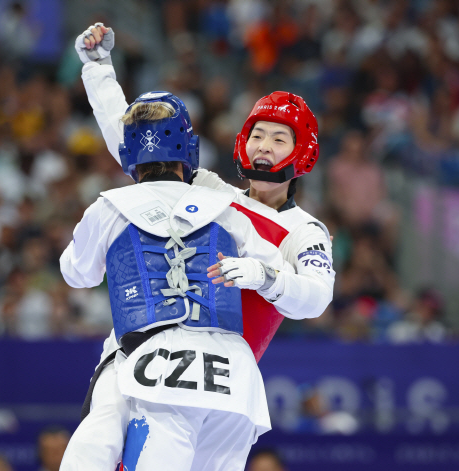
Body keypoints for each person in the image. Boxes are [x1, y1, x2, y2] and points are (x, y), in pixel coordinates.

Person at [60, 23, 336, 471]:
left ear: (301, 151)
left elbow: (318, 298)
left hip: (223, 378)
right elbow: (139, 148)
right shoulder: (213, 195)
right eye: (258, 135)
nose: (264, 147)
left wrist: (266, 277)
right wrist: (98, 71)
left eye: (279, 138)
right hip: (162, 358)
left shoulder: (305, 231)